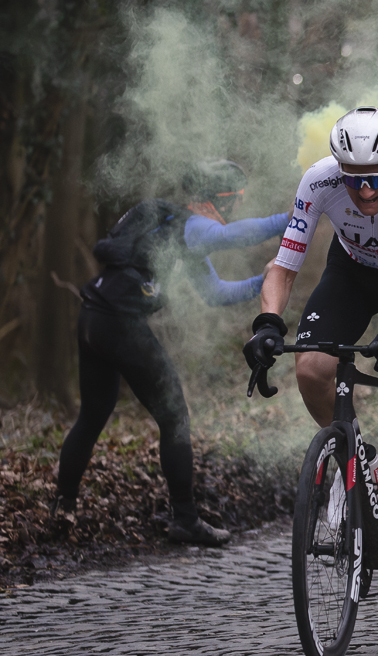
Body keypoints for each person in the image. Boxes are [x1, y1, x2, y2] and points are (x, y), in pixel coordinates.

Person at [243, 106, 378, 604]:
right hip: (351, 273)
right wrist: (268, 323)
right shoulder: (318, 181)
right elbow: (283, 267)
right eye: (353, 181)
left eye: (376, 179)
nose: (365, 192)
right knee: (312, 366)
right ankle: (359, 456)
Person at [57, 159, 288, 546]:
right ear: (225, 200)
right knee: (175, 416)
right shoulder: (195, 227)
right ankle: (184, 518)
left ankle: (63, 505)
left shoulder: (175, 227)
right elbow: (241, 236)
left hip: (91, 319)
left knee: (93, 414)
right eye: (237, 201)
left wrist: (261, 283)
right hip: (119, 323)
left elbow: (215, 294)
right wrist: (299, 216)